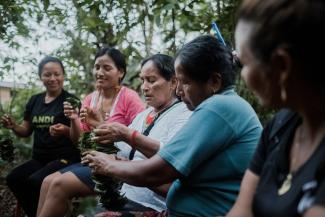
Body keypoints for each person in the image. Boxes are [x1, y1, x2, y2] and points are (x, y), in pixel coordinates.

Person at [84, 35, 263, 216]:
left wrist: (108, 165)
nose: (179, 91)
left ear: (214, 82)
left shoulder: (219, 107)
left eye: (185, 82)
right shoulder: (220, 107)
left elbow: (158, 171)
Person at [225, 0, 325, 217]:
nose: (243, 75)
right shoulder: (280, 126)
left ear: (282, 66)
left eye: (244, 63)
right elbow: (242, 210)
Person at [36, 47, 145, 217]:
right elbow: (80, 143)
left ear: (121, 72)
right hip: (93, 161)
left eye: (107, 68)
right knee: (47, 181)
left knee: (58, 184)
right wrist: (73, 119)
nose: (100, 72)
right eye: (97, 67)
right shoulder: (90, 99)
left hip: (118, 165)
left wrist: (102, 124)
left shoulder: (129, 98)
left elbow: (141, 136)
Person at [89, 54, 192, 216]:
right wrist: (99, 126)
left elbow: (170, 156)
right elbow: (122, 149)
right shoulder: (143, 116)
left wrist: (128, 134)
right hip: (124, 197)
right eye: (142, 80)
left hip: (151, 206)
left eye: (151, 80)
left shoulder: (184, 113)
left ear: (173, 82)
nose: (144, 87)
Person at [0, 56, 81, 217]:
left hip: (64, 159)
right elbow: (25, 131)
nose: (52, 79)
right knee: (13, 178)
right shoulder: (35, 100)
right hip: (39, 159)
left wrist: (65, 129)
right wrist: (14, 126)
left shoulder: (70, 101)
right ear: (41, 77)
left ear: (63, 75)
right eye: (47, 74)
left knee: (35, 181)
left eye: (57, 74)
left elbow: (78, 138)